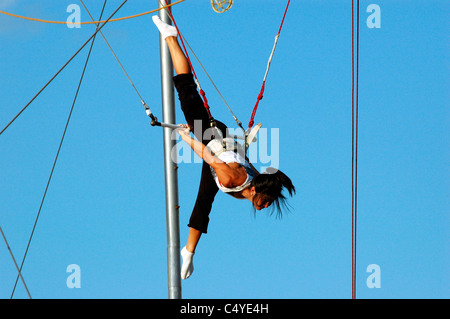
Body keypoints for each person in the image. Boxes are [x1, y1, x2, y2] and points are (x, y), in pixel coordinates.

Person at [152, 16, 295, 280]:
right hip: (208, 137)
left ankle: (189, 252)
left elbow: (242, 162)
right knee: (185, 86)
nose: (263, 207)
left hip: (224, 140)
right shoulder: (231, 178)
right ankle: (170, 35)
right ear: (254, 189)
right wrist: (188, 139)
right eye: (264, 202)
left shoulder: (253, 181)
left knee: (204, 203)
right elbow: (207, 156)